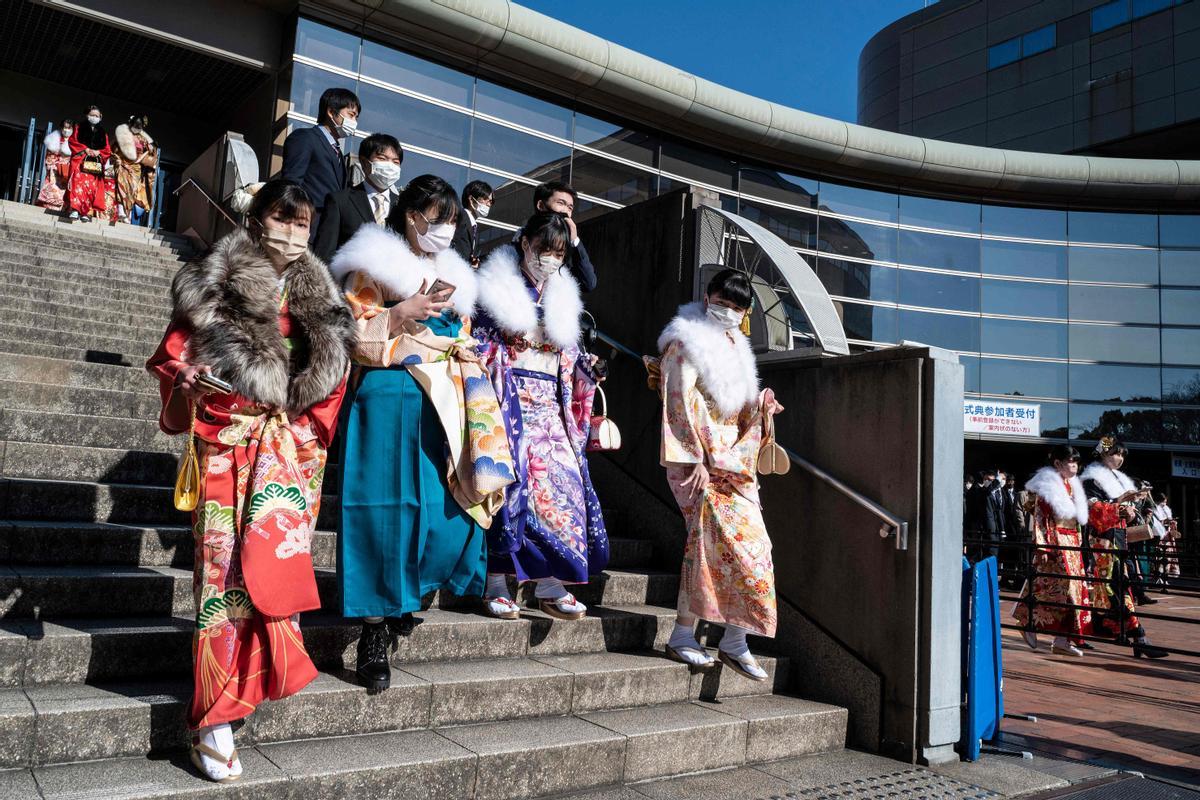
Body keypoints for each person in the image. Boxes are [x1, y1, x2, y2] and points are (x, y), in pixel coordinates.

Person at [146, 179, 356, 782]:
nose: (290, 234)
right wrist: (187, 379)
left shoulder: (322, 299)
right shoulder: (214, 282)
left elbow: (331, 381)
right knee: (219, 579)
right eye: (280, 219)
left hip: (288, 451)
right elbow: (175, 354)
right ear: (256, 218)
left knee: (269, 573)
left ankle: (245, 691)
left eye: (302, 224)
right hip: (227, 444)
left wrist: (303, 435)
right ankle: (212, 717)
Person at [331, 174, 515, 692]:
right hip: (389, 394)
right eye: (440, 219)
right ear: (412, 217)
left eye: (453, 221)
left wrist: (463, 345)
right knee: (382, 511)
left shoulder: (450, 271)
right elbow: (348, 334)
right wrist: (397, 314)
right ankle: (373, 629)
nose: (447, 229)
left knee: (448, 511)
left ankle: (410, 597)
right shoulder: (372, 262)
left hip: (446, 398)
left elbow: (461, 333)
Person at [473, 211, 608, 621]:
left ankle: (551, 583)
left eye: (558, 252)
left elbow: (569, 359)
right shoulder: (495, 290)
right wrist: (501, 348)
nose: (549, 258)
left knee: (564, 484)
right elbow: (476, 344)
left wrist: (589, 371)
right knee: (509, 489)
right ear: (524, 242)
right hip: (508, 402)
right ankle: (496, 581)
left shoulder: (563, 298)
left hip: (551, 406)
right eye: (543, 249)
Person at [654, 269, 783, 681]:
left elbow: (739, 405)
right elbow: (678, 400)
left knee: (757, 548)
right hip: (699, 460)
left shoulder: (736, 344)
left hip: (735, 461)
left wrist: (762, 405)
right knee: (705, 544)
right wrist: (695, 459)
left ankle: (734, 638)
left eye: (737, 307)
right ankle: (682, 634)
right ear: (708, 296)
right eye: (722, 302)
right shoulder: (684, 341)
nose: (727, 312)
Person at [1080, 437, 1168, 659]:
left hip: (1117, 535)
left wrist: (1130, 509)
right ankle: (1139, 636)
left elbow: (1117, 509)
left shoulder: (1116, 479)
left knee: (1120, 584)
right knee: (1113, 584)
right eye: (1114, 454)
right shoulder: (1091, 479)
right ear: (1102, 455)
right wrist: (1119, 506)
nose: (1119, 459)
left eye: (1121, 455)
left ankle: (1133, 635)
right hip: (1102, 538)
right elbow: (1093, 509)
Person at [1012, 446, 1093, 657]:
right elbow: (1040, 518)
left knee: (1072, 592)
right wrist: (1043, 546)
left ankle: (1062, 639)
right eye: (1070, 462)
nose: (1074, 467)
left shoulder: (1073, 486)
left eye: (1076, 463)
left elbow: (1077, 521)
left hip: (1072, 543)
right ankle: (1027, 621)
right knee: (1050, 588)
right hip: (1056, 543)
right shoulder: (1048, 486)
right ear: (1058, 464)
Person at [281, 87, 360, 239]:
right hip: (306, 230)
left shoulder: (337, 152)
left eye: (356, 117)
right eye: (351, 115)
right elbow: (291, 183)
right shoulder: (305, 138)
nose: (354, 122)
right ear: (331, 112)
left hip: (327, 234)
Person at [313, 132, 403, 262]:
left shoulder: (403, 207)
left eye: (396, 162)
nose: (390, 166)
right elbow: (324, 254)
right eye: (382, 159)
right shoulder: (340, 201)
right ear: (364, 162)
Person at [530, 181, 597, 291]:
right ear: (541, 205)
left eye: (570, 208)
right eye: (560, 203)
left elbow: (588, 283)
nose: (565, 211)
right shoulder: (524, 239)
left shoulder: (568, 247)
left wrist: (574, 241)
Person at [66, 106, 111, 222]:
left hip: (94, 165)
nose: (94, 117)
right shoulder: (79, 127)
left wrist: (98, 152)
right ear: (87, 115)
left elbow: (107, 150)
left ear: (100, 117)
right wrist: (84, 149)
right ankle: (75, 209)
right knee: (77, 184)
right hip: (81, 162)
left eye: (97, 116)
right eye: (92, 115)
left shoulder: (103, 133)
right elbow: (72, 141)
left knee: (90, 188)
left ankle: (85, 211)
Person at [113, 114, 157, 226]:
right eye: (135, 125)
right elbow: (115, 149)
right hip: (123, 164)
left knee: (132, 190)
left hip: (136, 167)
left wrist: (151, 148)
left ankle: (127, 214)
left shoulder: (143, 139)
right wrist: (117, 159)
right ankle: (121, 210)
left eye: (139, 126)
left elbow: (151, 151)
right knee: (122, 186)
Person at [966, 468, 1005, 562]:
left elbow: (998, 511)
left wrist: (1002, 530)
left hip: (994, 529)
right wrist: (998, 479)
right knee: (985, 555)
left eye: (992, 480)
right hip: (983, 529)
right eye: (989, 480)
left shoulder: (993, 493)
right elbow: (987, 490)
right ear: (984, 479)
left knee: (993, 554)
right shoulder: (979, 490)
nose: (990, 482)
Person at [452, 180, 493, 266]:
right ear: (471, 199)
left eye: (491, 201)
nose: (489, 204)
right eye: (485, 199)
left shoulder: (472, 226)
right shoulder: (460, 218)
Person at [36, 119, 73, 211]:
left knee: (65, 192)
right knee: (53, 188)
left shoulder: (74, 141)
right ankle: (48, 206)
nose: (66, 130)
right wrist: (52, 165)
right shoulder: (55, 139)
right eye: (65, 127)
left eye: (69, 128)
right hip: (55, 169)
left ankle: (63, 208)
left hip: (68, 169)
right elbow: (49, 156)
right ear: (61, 128)